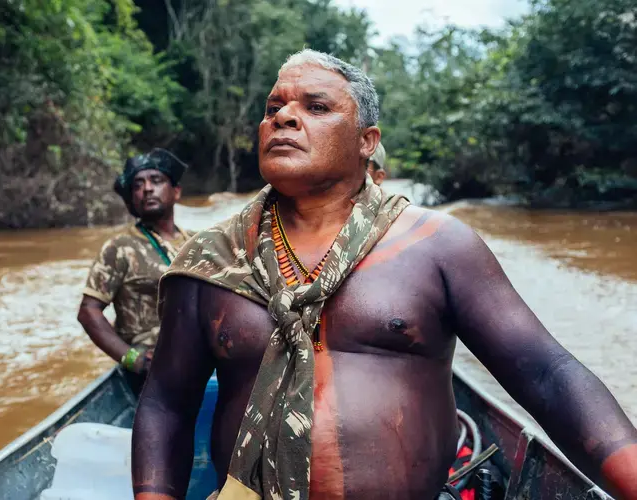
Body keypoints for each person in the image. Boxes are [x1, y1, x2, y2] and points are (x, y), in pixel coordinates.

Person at [131, 49, 637, 500]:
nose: (284, 117)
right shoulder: (210, 259)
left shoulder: (436, 245)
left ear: (366, 141)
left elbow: (548, 375)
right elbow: (167, 404)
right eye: (273, 108)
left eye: (316, 106)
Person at [77, 148, 193, 396]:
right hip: (154, 372)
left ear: (176, 192)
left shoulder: (197, 243)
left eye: (157, 180)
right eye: (138, 185)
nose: (147, 189)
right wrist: (133, 360)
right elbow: (88, 312)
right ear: (132, 199)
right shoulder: (120, 248)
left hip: (200, 361)